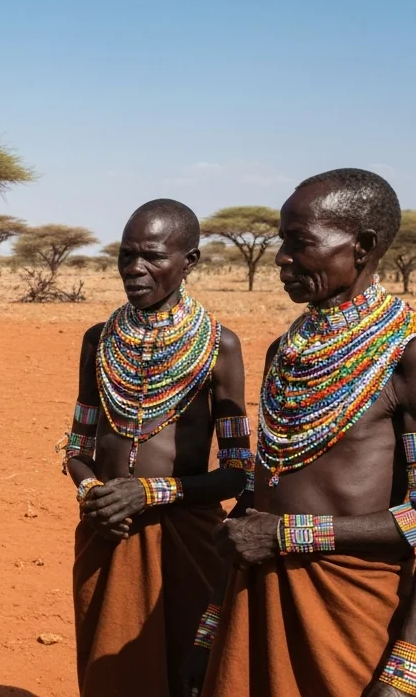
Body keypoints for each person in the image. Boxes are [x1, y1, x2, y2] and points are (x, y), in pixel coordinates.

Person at [204, 169, 416, 696]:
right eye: (281, 241)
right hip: (256, 596)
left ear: (362, 247)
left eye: (299, 243)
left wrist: (405, 673)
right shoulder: (286, 351)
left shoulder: (407, 357)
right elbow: (260, 490)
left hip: (350, 620)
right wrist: (209, 632)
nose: (281, 258)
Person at [63, 199, 251, 696]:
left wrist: (149, 493)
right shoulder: (98, 341)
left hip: (184, 537)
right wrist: (92, 495)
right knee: (107, 670)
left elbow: (237, 471)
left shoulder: (219, 347)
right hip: (107, 526)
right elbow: (77, 448)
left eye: (151, 256)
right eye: (126, 255)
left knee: (185, 674)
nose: (133, 269)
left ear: (189, 261)